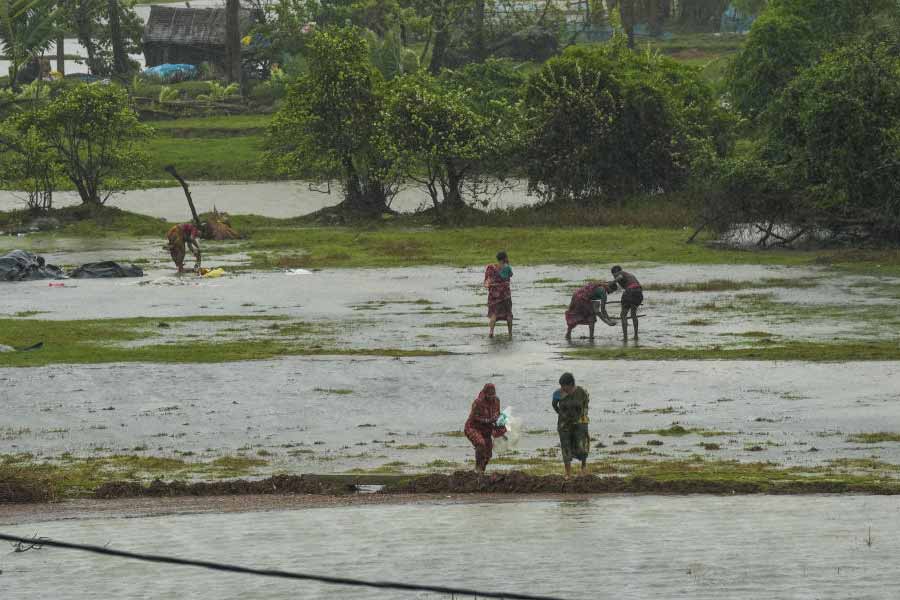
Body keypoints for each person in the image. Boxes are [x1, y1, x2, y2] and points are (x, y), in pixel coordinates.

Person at [552, 372, 590, 477]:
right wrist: (561, 414)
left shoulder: (582, 392)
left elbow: (586, 405)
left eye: (564, 385)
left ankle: (583, 467)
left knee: (582, 446)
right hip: (564, 424)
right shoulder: (558, 394)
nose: (562, 388)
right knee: (565, 446)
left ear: (571, 384)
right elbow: (554, 405)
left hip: (580, 423)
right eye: (561, 385)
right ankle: (568, 473)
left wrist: (583, 418)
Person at [464, 383, 507, 472]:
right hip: (473, 427)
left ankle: (481, 472)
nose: (491, 397)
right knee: (480, 444)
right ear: (485, 394)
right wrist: (488, 420)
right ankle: (477, 469)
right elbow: (474, 418)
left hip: (487, 430)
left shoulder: (497, 401)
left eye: (493, 395)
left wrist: (501, 429)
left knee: (487, 454)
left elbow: (497, 416)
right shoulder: (478, 402)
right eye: (489, 395)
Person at [483, 250, 513, 338]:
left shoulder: (492, 268)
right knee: (508, 314)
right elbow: (510, 275)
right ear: (505, 258)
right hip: (505, 295)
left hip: (494, 296)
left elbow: (488, 281)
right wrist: (508, 264)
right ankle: (510, 334)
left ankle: (491, 332)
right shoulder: (507, 268)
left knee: (494, 314)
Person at [610, 266, 643, 340]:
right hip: (639, 293)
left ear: (615, 272)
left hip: (630, 292)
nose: (614, 276)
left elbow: (619, 277)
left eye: (613, 275)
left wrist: (612, 282)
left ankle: (625, 337)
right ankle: (636, 336)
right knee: (633, 314)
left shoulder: (620, 273)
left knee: (623, 315)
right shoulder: (630, 275)